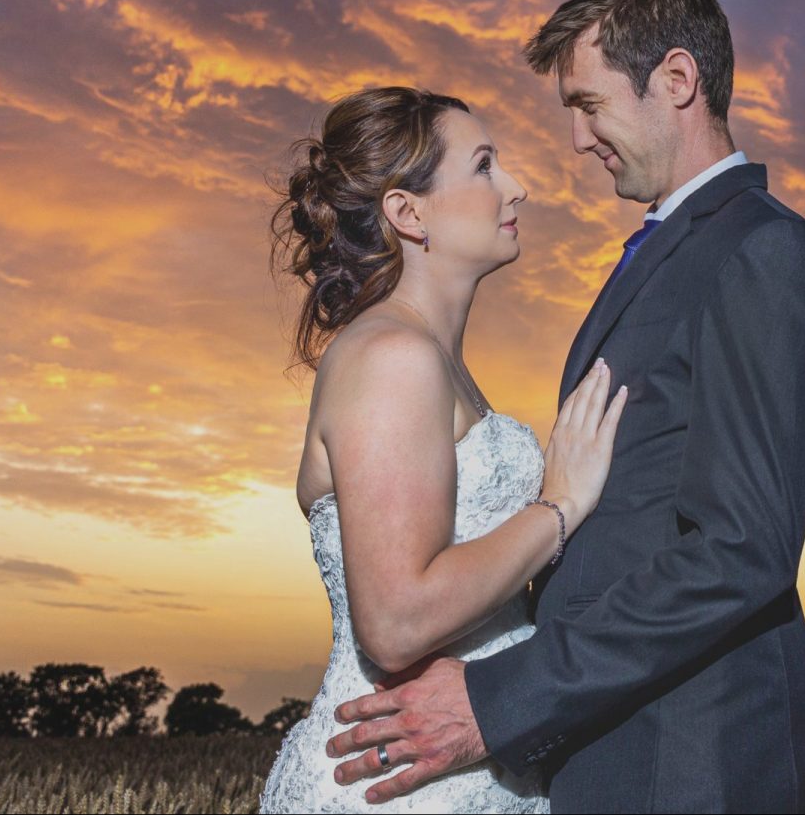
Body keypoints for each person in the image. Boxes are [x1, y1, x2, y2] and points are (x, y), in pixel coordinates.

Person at [324, 0, 805, 813]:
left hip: (697, 767)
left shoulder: (763, 250)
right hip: (609, 760)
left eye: (589, 104)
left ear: (676, 80)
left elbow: (740, 548)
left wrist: (500, 698)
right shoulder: (664, 255)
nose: (576, 140)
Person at [258, 86, 628, 813]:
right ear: (408, 213)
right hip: (399, 785)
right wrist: (559, 508)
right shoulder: (392, 356)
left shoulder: (433, 358)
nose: (515, 186)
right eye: (484, 166)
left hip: (464, 764)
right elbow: (397, 621)